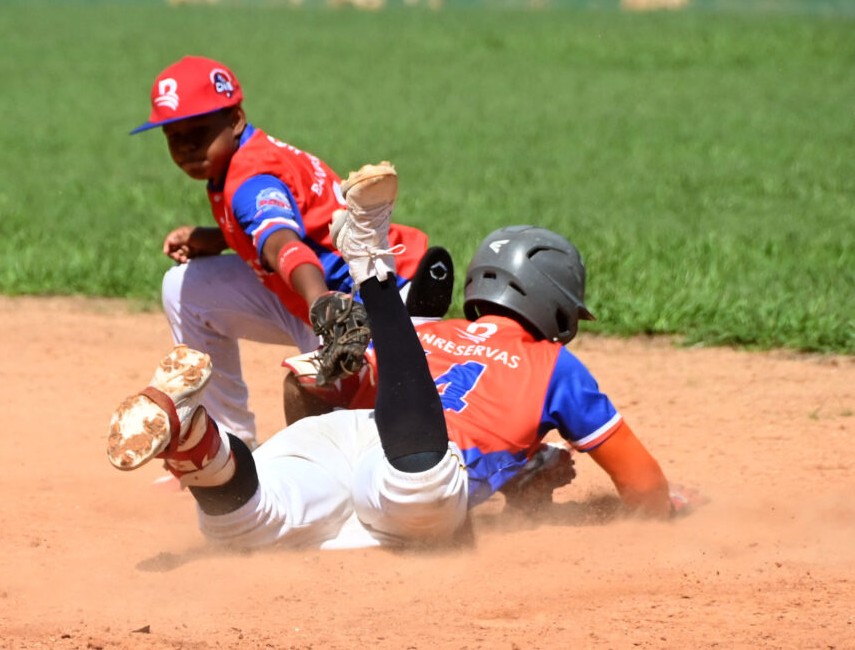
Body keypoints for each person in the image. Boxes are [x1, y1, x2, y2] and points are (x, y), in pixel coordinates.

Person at [106, 163, 698, 550]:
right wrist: (663, 510)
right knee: (417, 484)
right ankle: (373, 267)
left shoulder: (436, 334)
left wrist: (525, 473)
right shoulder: (552, 363)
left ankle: (197, 436)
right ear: (558, 307)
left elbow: (304, 394)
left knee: (248, 523)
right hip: (415, 470)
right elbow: (642, 486)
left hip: (346, 435)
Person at [130, 56, 452, 448]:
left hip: (379, 301)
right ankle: (229, 447)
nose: (185, 148)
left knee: (369, 434)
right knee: (187, 287)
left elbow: (282, 241)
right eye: (172, 136)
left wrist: (322, 304)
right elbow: (286, 225)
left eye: (197, 132)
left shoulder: (250, 178)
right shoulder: (245, 154)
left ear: (234, 120)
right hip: (329, 291)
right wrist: (217, 237)